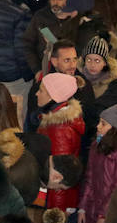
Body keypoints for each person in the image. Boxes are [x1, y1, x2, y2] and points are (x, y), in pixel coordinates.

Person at [30, 73, 85, 212]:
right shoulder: (55, 121)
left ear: (53, 97)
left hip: (54, 201)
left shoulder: (59, 129)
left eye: (41, 90)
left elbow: (58, 178)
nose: (37, 94)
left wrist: (55, 215)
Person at [23, 0, 81, 82]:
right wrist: (37, 70)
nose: (55, 3)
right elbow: (27, 44)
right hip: (46, 75)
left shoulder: (78, 18)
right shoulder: (40, 17)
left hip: (72, 76)